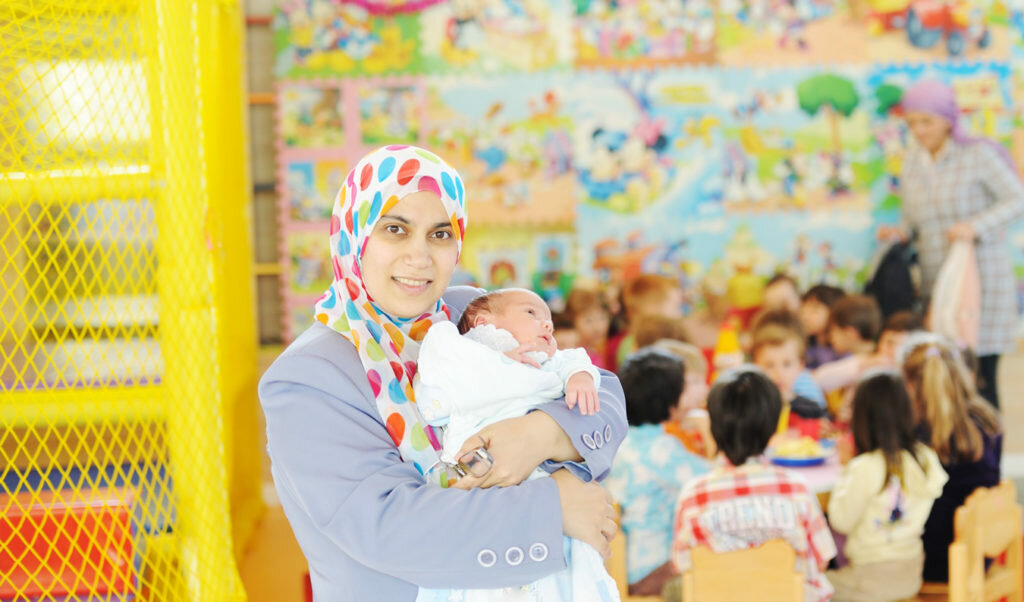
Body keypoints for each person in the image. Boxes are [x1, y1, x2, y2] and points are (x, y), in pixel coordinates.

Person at [258, 146, 626, 602]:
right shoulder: (308, 377)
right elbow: (388, 526)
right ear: (355, 234)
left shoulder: (465, 312)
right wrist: (554, 508)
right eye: (395, 229)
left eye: (440, 234)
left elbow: (601, 389)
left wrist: (540, 435)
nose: (420, 256)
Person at [413, 287, 616, 601]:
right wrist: (495, 359)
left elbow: (582, 367)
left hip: (547, 482)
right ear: (483, 324)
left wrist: (580, 377)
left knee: (567, 574)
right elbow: (439, 362)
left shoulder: (546, 364)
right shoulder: (462, 353)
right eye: (531, 313)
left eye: (549, 321)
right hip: (483, 489)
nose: (546, 324)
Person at [879, 79, 1024, 408]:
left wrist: (974, 226)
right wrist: (898, 233)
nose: (919, 130)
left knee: (980, 376)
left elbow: (1018, 199)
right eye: (912, 123)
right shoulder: (912, 162)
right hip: (938, 284)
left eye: (926, 121)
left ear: (947, 120)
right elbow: (913, 220)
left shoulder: (977, 155)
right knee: (946, 375)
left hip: (980, 282)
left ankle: (987, 441)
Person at [671, 367, 837, 602]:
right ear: (772, 427)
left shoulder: (692, 495)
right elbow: (822, 560)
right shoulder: (796, 488)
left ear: (714, 426)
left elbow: (682, 565)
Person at [826, 371, 948, 602]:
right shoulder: (925, 458)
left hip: (868, 580)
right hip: (911, 574)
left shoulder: (865, 466)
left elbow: (840, 521)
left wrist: (846, 467)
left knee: (808, 586)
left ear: (862, 418)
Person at [605, 349, 709, 601]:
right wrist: (708, 432)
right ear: (671, 405)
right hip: (653, 571)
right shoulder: (662, 450)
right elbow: (716, 480)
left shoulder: (616, 441)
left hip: (618, 566)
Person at [900, 335, 1002, 583]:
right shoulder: (985, 419)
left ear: (910, 386)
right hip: (983, 549)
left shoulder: (922, 437)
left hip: (940, 560)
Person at [749, 317, 828, 438]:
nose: (779, 373)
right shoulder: (751, 409)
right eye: (769, 365)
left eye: (787, 364)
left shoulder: (812, 410)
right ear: (755, 367)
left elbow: (826, 434)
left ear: (800, 367)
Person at [564, 287, 613, 370]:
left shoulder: (596, 351)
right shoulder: (571, 355)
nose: (597, 327)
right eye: (588, 320)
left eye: (603, 317)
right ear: (571, 320)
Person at [800, 285, 846, 369]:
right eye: (803, 310)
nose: (805, 317)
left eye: (814, 310)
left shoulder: (842, 351)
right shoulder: (804, 346)